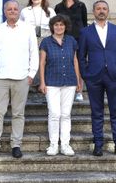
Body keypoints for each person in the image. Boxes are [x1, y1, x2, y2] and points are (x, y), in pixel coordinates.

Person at [0, 0, 38, 159]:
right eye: (10, 9)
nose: (13, 11)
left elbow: (33, 52)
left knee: (18, 114)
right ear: (5, 11)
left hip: (22, 78)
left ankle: (16, 144)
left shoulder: (28, 29)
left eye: (15, 9)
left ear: (19, 11)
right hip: (1, 78)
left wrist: (31, 74)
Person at [78, 0, 116, 158]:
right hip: (94, 77)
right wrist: (86, 74)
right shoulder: (86, 32)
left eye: (104, 8)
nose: (101, 11)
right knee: (96, 112)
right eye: (98, 8)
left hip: (114, 77)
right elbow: (81, 56)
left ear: (108, 11)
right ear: (93, 12)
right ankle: (98, 144)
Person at [38, 14, 81, 156]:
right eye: (56, 25)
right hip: (51, 82)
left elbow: (75, 61)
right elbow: (42, 63)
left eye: (61, 25)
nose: (59, 27)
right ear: (52, 27)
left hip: (69, 81)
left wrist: (78, 80)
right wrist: (42, 82)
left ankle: (65, 144)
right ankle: (53, 144)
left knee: (66, 114)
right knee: (54, 114)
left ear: (65, 26)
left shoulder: (71, 41)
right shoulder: (46, 42)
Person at [54, 0, 88, 102]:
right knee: (66, 64)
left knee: (79, 63)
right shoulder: (58, 7)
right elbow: (56, 24)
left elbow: (85, 23)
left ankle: (79, 91)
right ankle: (66, 90)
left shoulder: (81, 5)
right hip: (64, 39)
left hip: (79, 38)